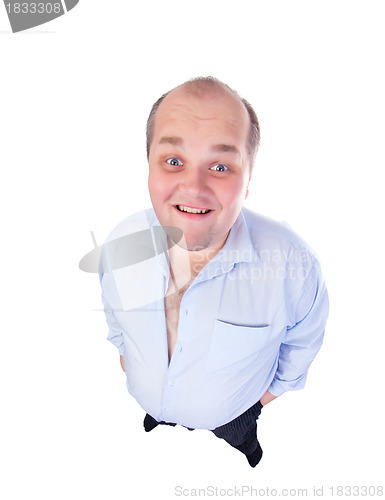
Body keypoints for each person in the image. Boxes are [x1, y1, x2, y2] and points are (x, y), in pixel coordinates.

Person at [99, 76, 329, 467]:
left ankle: (241, 437)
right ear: (149, 168)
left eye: (221, 166)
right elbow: (115, 317)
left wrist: (255, 403)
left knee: (241, 435)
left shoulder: (293, 266)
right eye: (174, 161)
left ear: (248, 181)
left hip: (233, 413)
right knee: (159, 411)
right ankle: (163, 413)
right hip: (150, 396)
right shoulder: (122, 243)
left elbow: (302, 344)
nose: (193, 187)